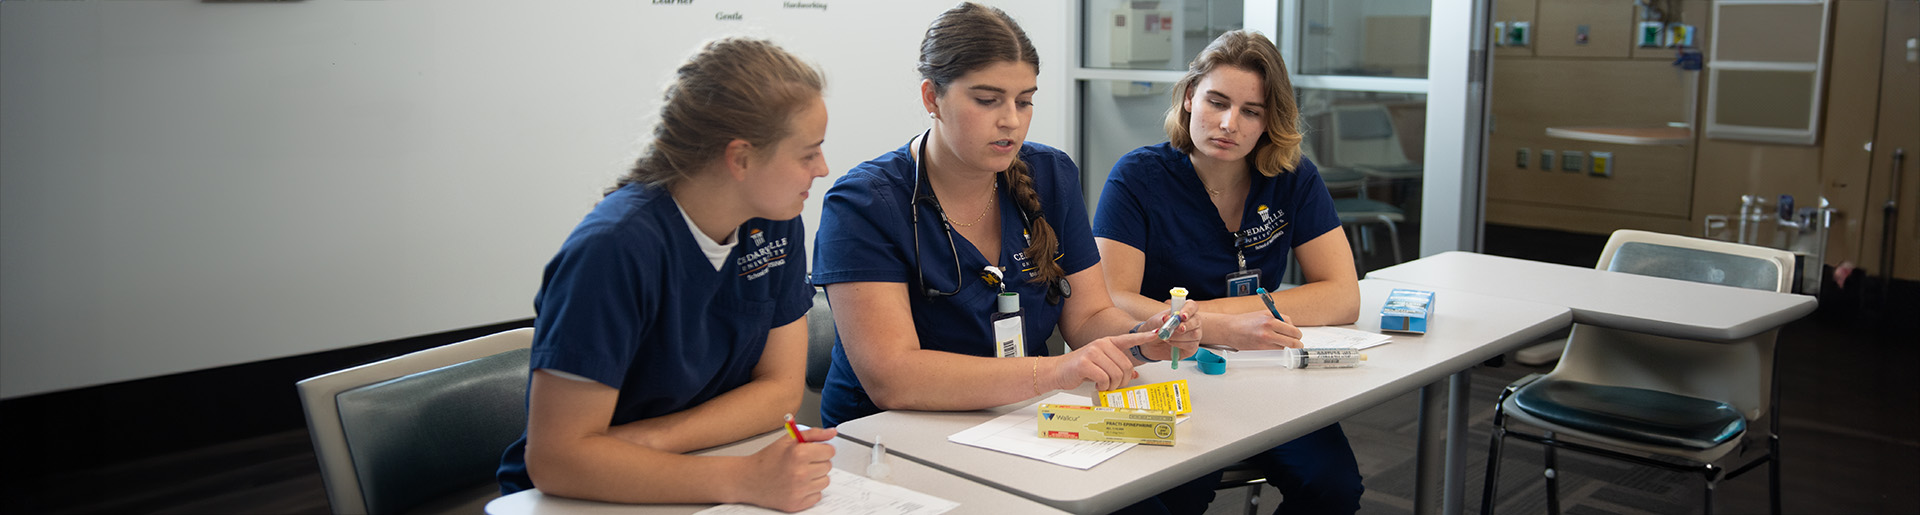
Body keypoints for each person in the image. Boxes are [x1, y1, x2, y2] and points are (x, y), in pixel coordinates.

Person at [810, 3, 1206, 513]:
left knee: (1145, 503)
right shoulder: (864, 204)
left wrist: (1146, 339)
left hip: (1018, 419)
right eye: (987, 99)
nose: (1010, 121)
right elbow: (894, 378)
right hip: (894, 440)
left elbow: (1087, 316)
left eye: (1025, 101)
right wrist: (1058, 372)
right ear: (932, 96)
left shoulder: (1050, 174)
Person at [495, 37, 836, 512]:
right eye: (808, 153)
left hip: (684, 468)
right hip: (582, 498)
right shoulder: (613, 249)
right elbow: (557, 461)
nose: (823, 169)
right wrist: (743, 479)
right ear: (739, 157)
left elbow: (779, 391)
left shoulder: (775, 221)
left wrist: (649, 442)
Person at [1093, 30, 1366, 514]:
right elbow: (1112, 299)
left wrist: (1222, 319)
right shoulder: (1138, 177)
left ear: (1269, 120)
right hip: (1167, 371)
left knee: (1333, 485)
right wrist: (1216, 328)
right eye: (1216, 101)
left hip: (1264, 369)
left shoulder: (1292, 176)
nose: (1227, 123)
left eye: (1251, 111)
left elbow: (1342, 295)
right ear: (1189, 98)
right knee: (1177, 496)